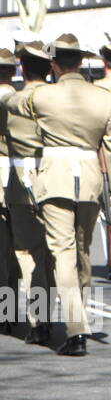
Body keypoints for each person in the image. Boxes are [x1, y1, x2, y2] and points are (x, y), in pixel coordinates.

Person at [24, 34, 111, 357]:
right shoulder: (102, 98)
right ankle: (78, 316)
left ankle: (76, 328)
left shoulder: (42, 96)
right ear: (80, 62)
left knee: (63, 253)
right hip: (90, 178)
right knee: (82, 252)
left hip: (55, 176)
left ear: (54, 64)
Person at [2, 42, 53, 344]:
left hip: (15, 178)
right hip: (51, 176)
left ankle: (7, 314)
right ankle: (55, 318)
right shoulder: (54, 98)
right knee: (47, 252)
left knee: (14, 254)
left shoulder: (12, 103)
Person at [0, 49, 21, 335]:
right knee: (24, 248)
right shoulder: (23, 99)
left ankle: (5, 311)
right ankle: (14, 310)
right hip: (21, 173)